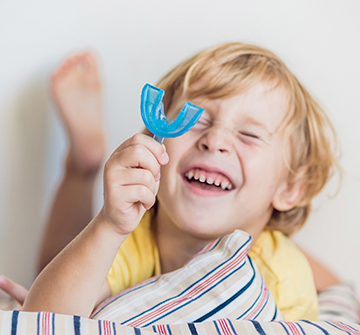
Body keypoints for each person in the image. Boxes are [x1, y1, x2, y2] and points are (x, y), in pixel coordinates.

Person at [18, 42, 340, 321]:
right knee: (54, 272)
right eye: (196, 120)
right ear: (157, 145)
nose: (214, 140)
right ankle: (83, 164)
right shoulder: (131, 237)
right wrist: (108, 225)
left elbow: (335, 291)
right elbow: (45, 319)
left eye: (248, 134)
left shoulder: (283, 276)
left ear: (290, 188)